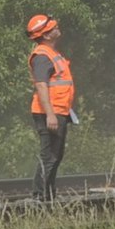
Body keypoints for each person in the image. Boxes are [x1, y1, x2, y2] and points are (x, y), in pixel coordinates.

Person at [26, 14, 75, 202]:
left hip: (59, 111)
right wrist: (50, 115)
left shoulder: (52, 54)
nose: (57, 28)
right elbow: (41, 85)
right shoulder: (42, 56)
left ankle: (48, 196)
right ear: (46, 35)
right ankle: (40, 197)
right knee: (49, 155)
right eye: (54, 27)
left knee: (56, 155)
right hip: (50, 113)